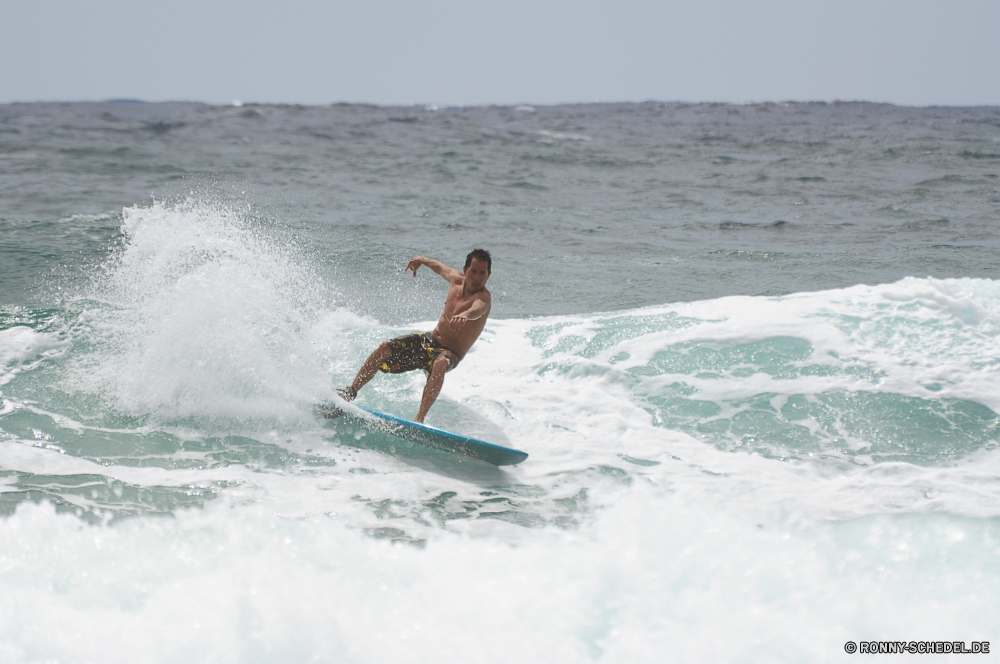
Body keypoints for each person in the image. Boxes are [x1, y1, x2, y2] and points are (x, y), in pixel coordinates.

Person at [337, 249, 492, 422]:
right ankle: (349, 392)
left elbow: (478, 309)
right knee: (385, 347)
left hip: (451, 352)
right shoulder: (456, 280)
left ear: (488, 275)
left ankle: (419, 418)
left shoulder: (483, 298)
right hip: (430, 340)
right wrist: (422, 260)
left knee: (440, 363)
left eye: (482, 273)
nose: (478, 278)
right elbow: (440, 267)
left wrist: (465, 315)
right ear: (465, 270)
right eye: (474, 271)